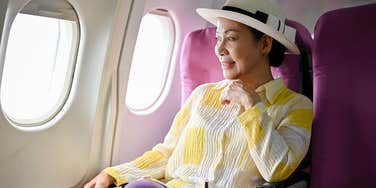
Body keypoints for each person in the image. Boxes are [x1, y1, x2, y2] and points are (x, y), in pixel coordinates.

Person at [84, 0, 312, 187]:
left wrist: (252, 106)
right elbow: (167, 153)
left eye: (231, 38)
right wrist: (114, 174)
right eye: (218, 38)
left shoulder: (296, 106)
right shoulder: (202, 95)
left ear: (264, 45)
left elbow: (277, 169)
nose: (219, 49)